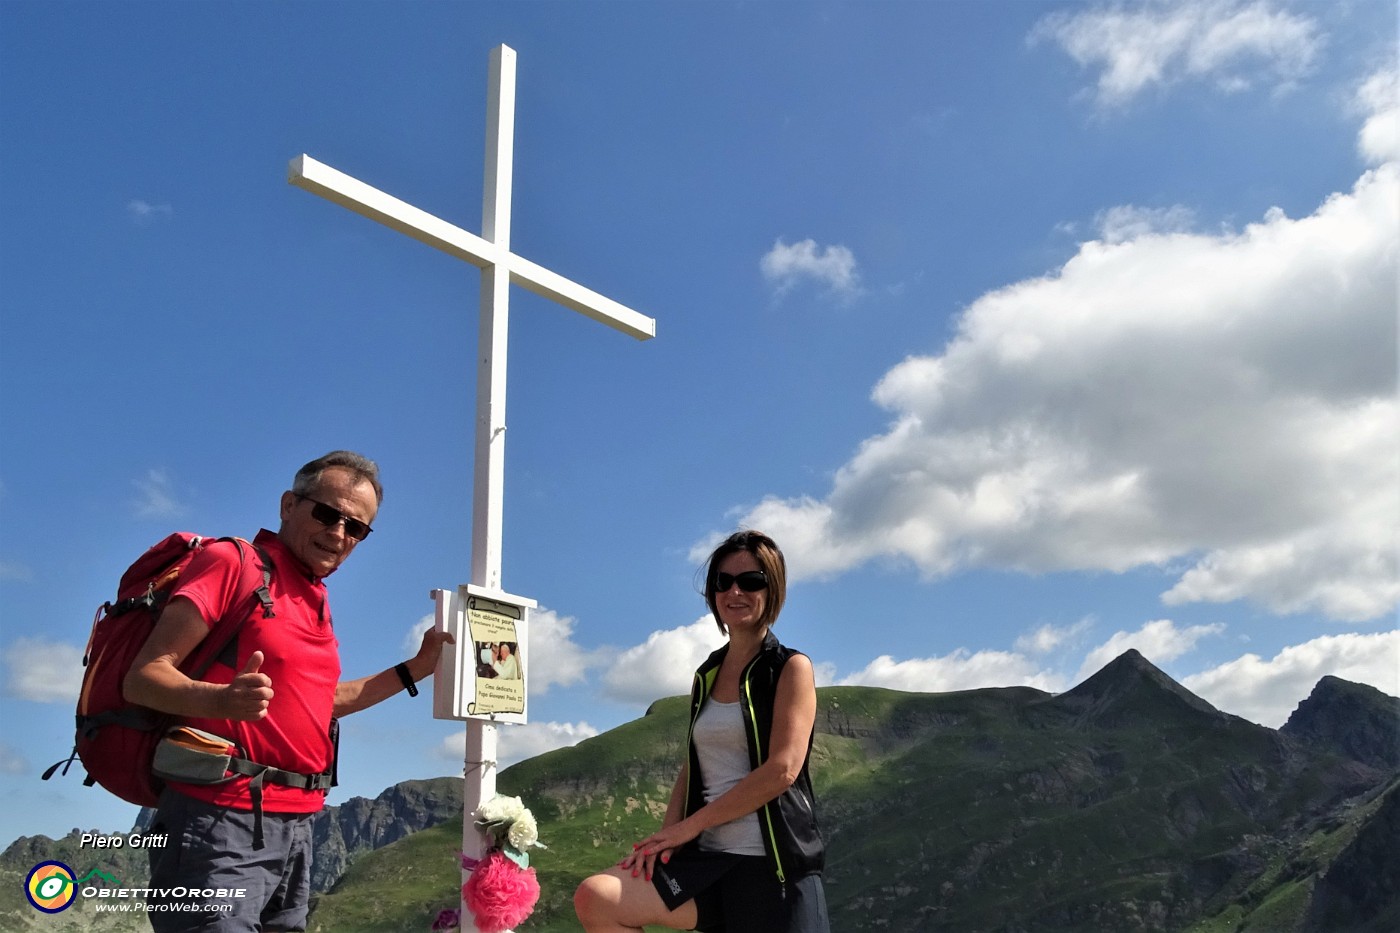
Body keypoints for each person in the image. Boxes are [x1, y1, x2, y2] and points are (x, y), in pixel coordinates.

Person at [124, 450, 453, 933]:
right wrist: (220, 700)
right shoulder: (231, 564)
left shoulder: (313, 595)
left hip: (298, 826)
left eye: (356, 527)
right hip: (218, 819)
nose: (338, 533)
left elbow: (323, 703)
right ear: (287, 506)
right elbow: (144, 676)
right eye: (326, 513)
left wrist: (416, 669)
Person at [573, 530, 829, 933]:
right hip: (706, 864)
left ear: (773, 588)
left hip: (774, 866)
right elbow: (694, 766)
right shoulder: (706, 674)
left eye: (751, 580)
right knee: (597, 897)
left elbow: (782, 770)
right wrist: (667, 836)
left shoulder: (791, 668)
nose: (734, 591)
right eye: (722, 581)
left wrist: (691, 825)